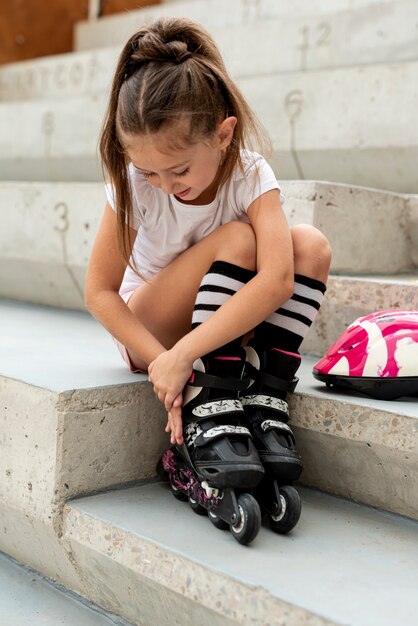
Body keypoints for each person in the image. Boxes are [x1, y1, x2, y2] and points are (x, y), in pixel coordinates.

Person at [85, 17, 332, 490]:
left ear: (222, 135)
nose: (165, 186)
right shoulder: (136, 186)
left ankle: (264, 393)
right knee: (239, 240)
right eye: (149, 172)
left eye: (177, 170)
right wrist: (165, 361)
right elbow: (99, 293)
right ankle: (208, 397)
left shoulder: (250, 174)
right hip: (152, 329)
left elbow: (280, 279)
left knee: (310, 246)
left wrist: (188, 353)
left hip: (210, 332)